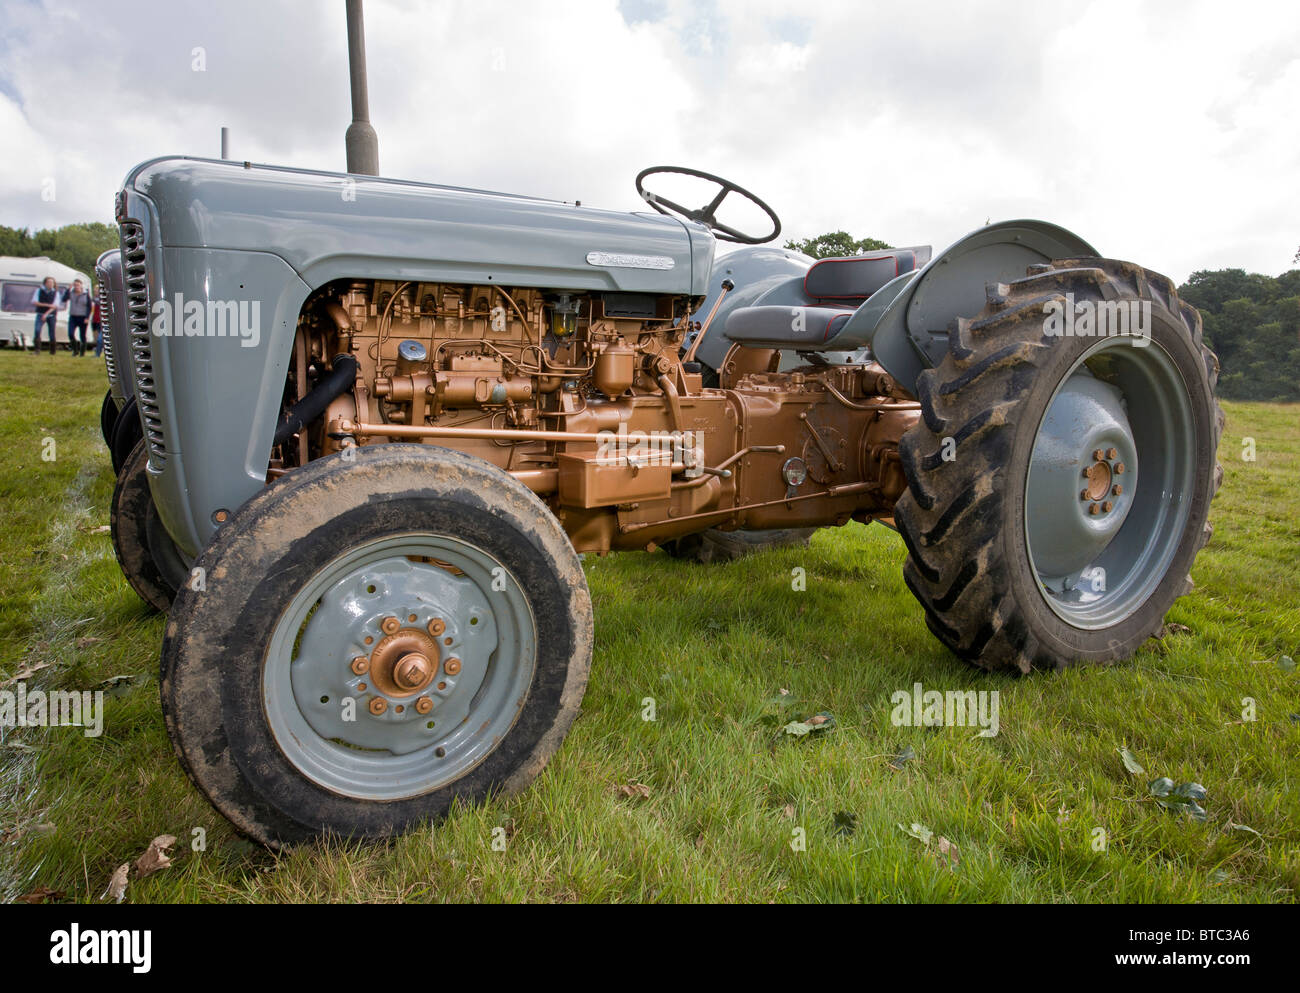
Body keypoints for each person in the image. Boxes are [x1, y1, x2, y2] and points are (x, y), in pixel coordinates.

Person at [31, 277, 60, 356]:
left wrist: (46, 314)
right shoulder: (39, 291)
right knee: (37, 330)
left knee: (51, 333)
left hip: (51, 315)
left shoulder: (56, 293)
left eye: (52, 283)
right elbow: (34, 302)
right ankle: (37, 350)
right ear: (45, 283)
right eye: (49, 282)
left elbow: (55, 306)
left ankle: (52, 351)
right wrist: (47, 305)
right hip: (40, 313)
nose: (51, 284)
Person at [64, 278, 93, 356]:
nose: (76, 287)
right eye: (75, 285)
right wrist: (68, 290)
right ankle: (75, 350)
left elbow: (89, 307)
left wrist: (87, 317)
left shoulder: (86, 294)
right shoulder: (71, 293)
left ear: (81, 286)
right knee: (70, 334)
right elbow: (64, 299)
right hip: (73, 316)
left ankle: (82, 352)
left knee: (82, 335)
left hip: (83, 317)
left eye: (78, 285)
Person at [91, 291, 105, 357]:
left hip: (104, 323)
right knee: (99, 339)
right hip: (97, 322)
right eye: (95, 290)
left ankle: (97, 354)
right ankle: (97, 353)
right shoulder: (94, 301)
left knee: (100, 339)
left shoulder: (104, 300)